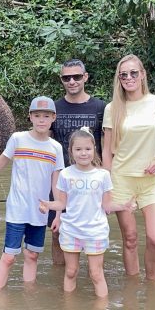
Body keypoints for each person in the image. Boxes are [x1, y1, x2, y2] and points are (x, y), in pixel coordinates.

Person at [0, 96, 65, 291]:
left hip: (40, 211)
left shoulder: (55, 148)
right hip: (17, 209)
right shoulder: (18, 139)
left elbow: (56, 184)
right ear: (30, 117)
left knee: (32, 256)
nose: (41, 120)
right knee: (8, 257)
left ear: (53, 118)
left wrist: (57, 214)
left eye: (46, 116)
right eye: (37, 115)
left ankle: (28, 296)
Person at [101, 54, 155, 281]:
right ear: (119, 79)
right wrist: (107, 186)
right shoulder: (113, 108)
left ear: (142, 75)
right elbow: (106, 151)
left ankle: (152, 283)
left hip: (151, 181)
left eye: (134, 73)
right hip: (122, 180)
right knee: (130, 238)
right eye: (124, 74)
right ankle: (132, 288)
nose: (129, 78)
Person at [39, 128, 115, 297]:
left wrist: (125, 205)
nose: (83, 153)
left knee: (96, 274)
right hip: (71, 230)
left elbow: (107, 205)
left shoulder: (103, 175)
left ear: (94, 149)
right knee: (71, 271)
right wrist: (48, 205)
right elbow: (61, 203)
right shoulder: (65, 174)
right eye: (78, 149)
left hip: (95, 231)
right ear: (71, 151)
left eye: (87, 149)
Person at [50, 59, 107, 265]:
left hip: (90, 183)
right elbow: (44, 142)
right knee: (57, 231)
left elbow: (106, 146)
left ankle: (93, 277)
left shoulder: (101, 107)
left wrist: (106, 180)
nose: (72, 81)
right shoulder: (53, 108)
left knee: (94, 233)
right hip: (61, 180)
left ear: (85, 77)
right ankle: (61, 277)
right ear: (62, 80)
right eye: (66, 78)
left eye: (76, 77)